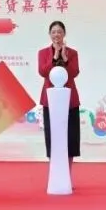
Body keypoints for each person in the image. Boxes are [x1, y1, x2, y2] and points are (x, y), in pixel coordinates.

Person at [37, 21, 80, 168]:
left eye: (59, 32)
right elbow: (43, 72)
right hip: (50, 101)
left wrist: (65, 59)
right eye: (54, 32)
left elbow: (74, 73)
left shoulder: (72, 53)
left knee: (70, 137)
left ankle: (68, 173)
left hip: (70, 101)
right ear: (49, 34)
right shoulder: (43, 53)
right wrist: (55, 57)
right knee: (52, 137)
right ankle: (55, 172)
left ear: (64, 34)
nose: (57, 35)